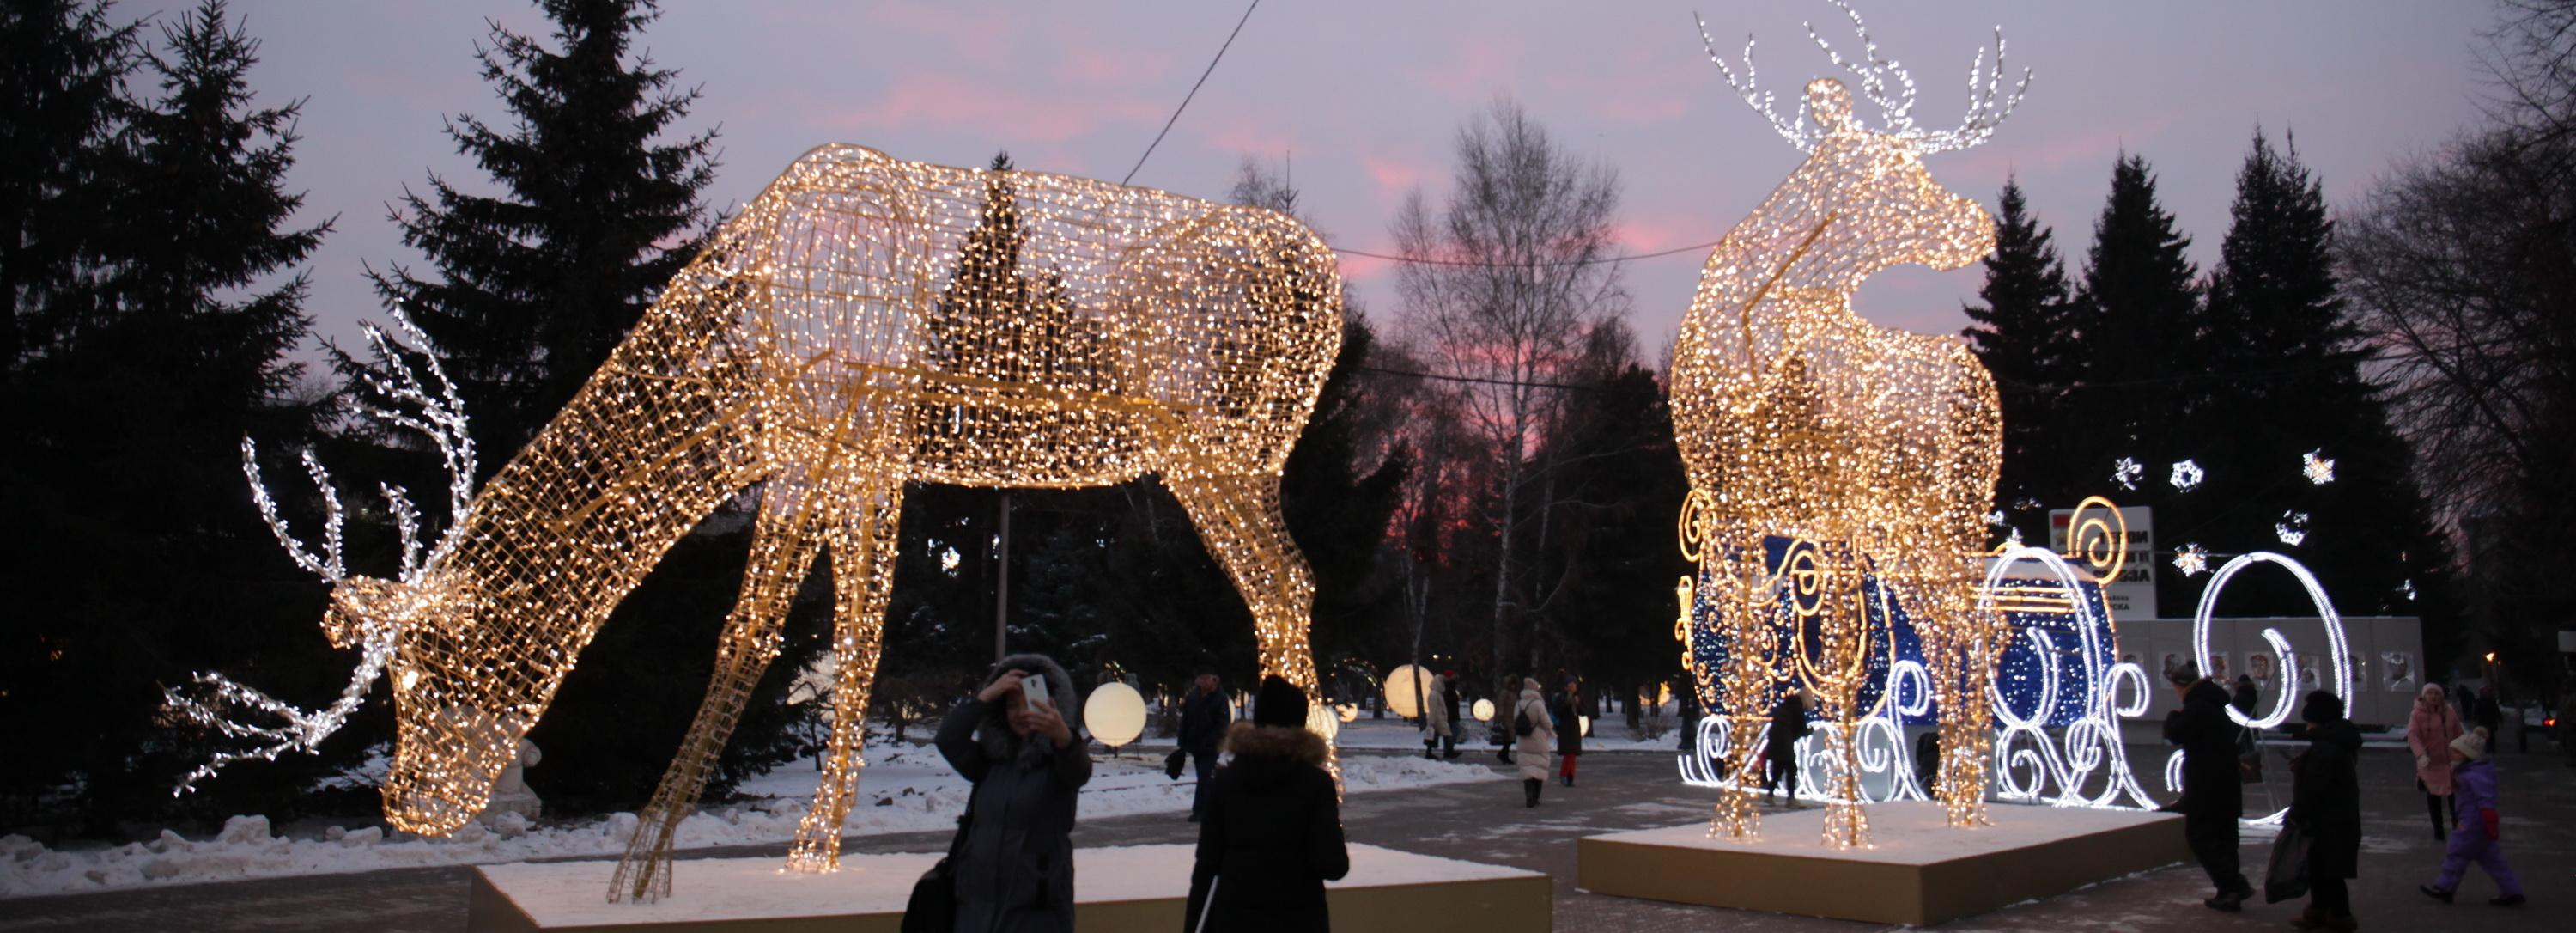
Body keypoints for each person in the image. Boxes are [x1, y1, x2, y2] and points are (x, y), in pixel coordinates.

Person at [935, 655, 1091, 933]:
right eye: (1011, 705)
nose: (1020, 713)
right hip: (975, 909)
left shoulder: (1059, 762)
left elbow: (1079, 768)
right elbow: (947, 739)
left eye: (1030, 703)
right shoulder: (990, 762)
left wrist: (1063, 736)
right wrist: (984, 698)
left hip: (1035, 914)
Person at [1182, 675, 1350, 932]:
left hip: (1235, 919)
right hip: (1298, 919)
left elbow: (1206, 866)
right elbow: (1333, 865)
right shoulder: (1315, 784)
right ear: (1300, 722)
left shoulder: (1225, 782)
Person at [2163, 662, 2254, 912]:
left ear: (2182, 686)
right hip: (2226, 782)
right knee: (2225, 839)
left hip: (2206, 784)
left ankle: (2233, 885)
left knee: (2200, 836)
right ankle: (2229, 892)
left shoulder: (2197, 708)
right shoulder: (2216, 704)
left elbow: (2176, 734)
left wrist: (2173, 717)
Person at [2421, 727, 2526, 906]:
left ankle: (2445, 887)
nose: (2451, 754)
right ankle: (2512, 891)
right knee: (2492, 859)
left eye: (2455, 752)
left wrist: (2489, 819)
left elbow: (2485, 800)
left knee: (2457, 852)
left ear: (2467, 754)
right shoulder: (2473, 771)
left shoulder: (2474, 775)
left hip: (2472, 822)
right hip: (2478, 822)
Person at [2287, 691, 2362, 932]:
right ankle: (2320, 911)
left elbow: (2314, 788)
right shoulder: (2336, 742)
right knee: (2321, 868)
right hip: (2337, 817)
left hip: (2328, 820)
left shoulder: (2325, 748)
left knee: (2328, 870)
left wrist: (2296, 814)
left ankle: (2340, 915)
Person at [2407, 683, 2464, 841]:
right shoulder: (2417, 714)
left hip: (2451, 763)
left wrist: (2462, 755)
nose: (2434, 696)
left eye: (2437, 693)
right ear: (2424, 696)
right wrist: (2421, 755)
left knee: (2455, 799)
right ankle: (2438, 831)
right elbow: (2413, 737)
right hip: (2430, 764)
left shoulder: (2450, 712)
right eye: (2430, 693)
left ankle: (2457, 829)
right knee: (2434, 799)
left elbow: (2459, 733)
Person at [1179, 670, 1231, 824]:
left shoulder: (1220, 699)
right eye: (1202, 678)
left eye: (1208, 678)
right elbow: (1186, 720)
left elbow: (1223, 724)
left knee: (1204, 776)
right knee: (1204, 777)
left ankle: (1200, 810)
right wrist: (1182, 742)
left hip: (1211, 746)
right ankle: (1210, 808)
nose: (1205, 682)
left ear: (1214, 680)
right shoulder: (1193, 697)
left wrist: (1212, 739)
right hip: (1196, 745)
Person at [1764, 686, 1811, 807]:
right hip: (1784, 742)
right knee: (1791, 769)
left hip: (1775, 740)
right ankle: (1791, 798)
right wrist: (1809, 731)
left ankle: (1770, 795)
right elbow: (1801, 728)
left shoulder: (1785, 705)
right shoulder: (1797, 708)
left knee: (1778, 769)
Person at [1512, 677, 1554, 808]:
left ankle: (1528, 795)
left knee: (1527, 769)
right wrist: (1551, 730)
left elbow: (1515, 719)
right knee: (1539, 768)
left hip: (1523, 739)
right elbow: (1547, 723)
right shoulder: (1538, 704)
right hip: (1538, 739)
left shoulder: (1518, 704)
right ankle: (1535, 797)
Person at [1549, 677, 1585, 787]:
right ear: (1566, 686)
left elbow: (1583, 712)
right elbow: (1557, 711)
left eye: (1574, 684)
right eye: (1571, 684)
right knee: (1569, 754)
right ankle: (1564, 775)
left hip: (1574, 728)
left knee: (1572, 754)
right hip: (1565, 728)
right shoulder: (1561, 697)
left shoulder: (1577, 697)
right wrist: (1566, 704)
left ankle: (1570, 777)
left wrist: (1577, 704)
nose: (1573, 686)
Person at [1420, 673, 1452, 760]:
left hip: (1439, 718)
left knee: (1435, 736)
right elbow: (1433, 709)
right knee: (1446, 734)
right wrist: (1431, 722)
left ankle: (1430, 752)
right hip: (1438, 719)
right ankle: (1449, 752)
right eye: (1442, 683)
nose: (1443, 685)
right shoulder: (1435, 694)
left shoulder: (1437, 694)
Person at [1441, 671, 1464, 759]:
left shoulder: (1451, 686)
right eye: (1453, 675)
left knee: (1450, 732)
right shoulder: (1448, 687)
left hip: (1451, 713)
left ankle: (1448, 750)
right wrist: (1456, 698)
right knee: (1454, 731)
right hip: (1450, 713)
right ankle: (1448, 750)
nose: (1455, 676)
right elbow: (1449, 699)